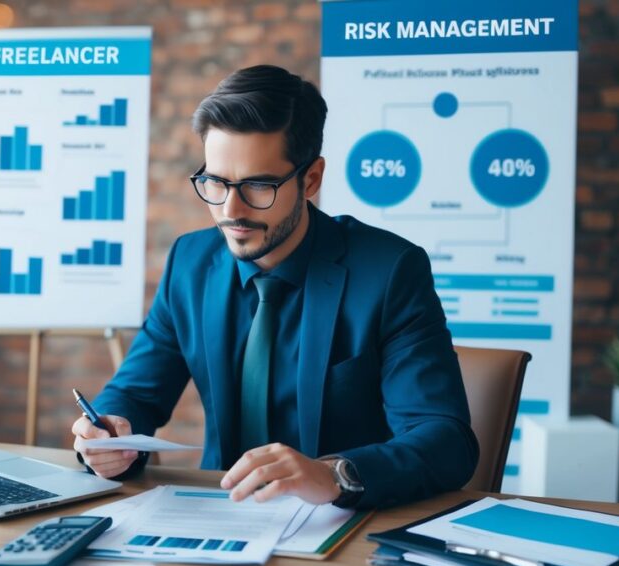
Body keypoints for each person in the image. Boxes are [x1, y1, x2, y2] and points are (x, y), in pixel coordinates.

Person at [72, 65, 478, 510]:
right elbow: (134, 393)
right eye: (215, 182)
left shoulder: (390, 272)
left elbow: (445, 441)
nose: (231, 210)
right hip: (215, 513)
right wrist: (109, 433)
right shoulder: (190, 263)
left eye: (258, 185)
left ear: (311, 180)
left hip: (344, 526)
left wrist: (335, 474)